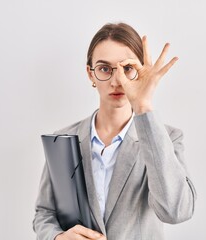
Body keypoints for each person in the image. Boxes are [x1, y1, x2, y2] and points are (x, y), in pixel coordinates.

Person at [33, 22, 196, 240]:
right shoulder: (63, 140)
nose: (116, 80)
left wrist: (143, 106)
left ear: (141, 72)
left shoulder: (168, 138)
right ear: (90, 74)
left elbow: (176, 211)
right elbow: (45, 213)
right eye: (104, 69)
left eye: (127, 68)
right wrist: (57, 237)